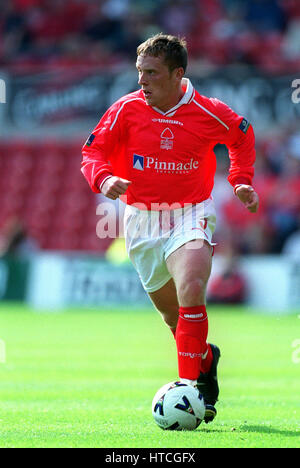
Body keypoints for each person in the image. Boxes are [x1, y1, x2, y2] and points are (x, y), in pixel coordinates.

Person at [81, 33, 259, 423]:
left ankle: (190, 390)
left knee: (192, 286)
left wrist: (241, 178)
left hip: (190, 212)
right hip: (142, 219)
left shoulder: (208, 111)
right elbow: (91, 151)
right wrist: (104, 178)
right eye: (139, 72)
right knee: (174, 319)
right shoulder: (126, 109)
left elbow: (242, 136)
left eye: (151, 73)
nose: (142, 80)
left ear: (178, 74)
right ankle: (205, 360)